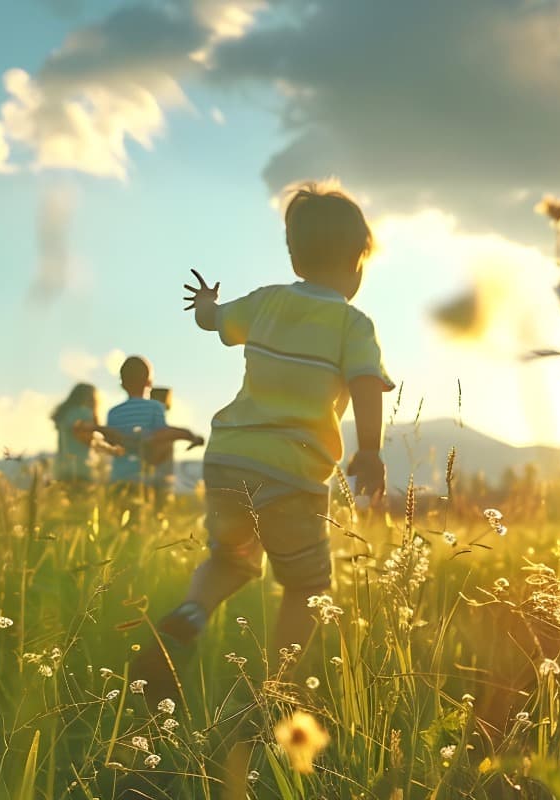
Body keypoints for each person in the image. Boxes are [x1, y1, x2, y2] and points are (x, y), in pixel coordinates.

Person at [146, 179, 394, 667]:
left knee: (228, 560)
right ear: (357, 261)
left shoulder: (265, 302)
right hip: (291, 473)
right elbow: (366, 385)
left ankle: (192, 614)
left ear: (295, 257)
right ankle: (276, 688)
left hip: (228, 460)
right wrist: (369, 450)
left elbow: (212, 320)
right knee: (307, 585)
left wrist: (204, 302)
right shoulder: (352, 324)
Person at [104, 356, 203, 503]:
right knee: (147, 519)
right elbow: (162, 434)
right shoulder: (155, 407)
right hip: (146, 479)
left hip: (119, 478)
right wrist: (189, 436)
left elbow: (111, 443)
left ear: (122, 383)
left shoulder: (113, 413)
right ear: (149, 382)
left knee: (121, 521)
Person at [50, 383, 100, 483]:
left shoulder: (64, 414)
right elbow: (88, 440)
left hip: (61, 468)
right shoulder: (84, 412)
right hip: (80, 468)